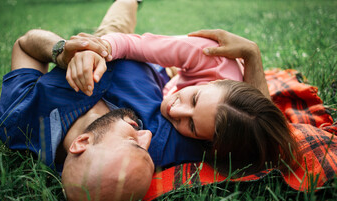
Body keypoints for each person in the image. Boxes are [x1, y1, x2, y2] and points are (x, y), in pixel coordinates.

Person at [0, 0, 205, 201]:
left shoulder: (20, 121)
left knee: (105, 36)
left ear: (83, 142)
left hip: (107, 45)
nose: (147, 135)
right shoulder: (162, 145)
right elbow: (239, 135)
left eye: (134, 142)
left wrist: (62, 51)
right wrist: (245, 53)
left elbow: (24, 45)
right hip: (168, 69)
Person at [67, 30, 299, 176]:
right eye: (195, 99)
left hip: (164, 82)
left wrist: (252, 53)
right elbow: (132, 44)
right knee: (112, 29)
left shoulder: (232, 126)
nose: (174, 110)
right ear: (212, 82)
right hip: (157, 64)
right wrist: (102, 48)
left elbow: (261, 129)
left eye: (192, 126)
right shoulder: (209, 55)